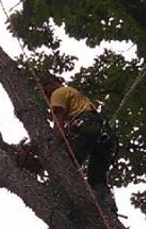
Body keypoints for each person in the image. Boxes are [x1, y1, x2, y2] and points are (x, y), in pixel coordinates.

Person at [38, 73, 118, 211]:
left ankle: (64, 204)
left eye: (46, 91)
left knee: (63, 162)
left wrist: (57, 141)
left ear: (53, 83)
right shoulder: (74, 94)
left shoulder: (58, 92)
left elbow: (58, 118)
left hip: (86, 129)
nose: (47, 96)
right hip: (103, 134)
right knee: (96, 179)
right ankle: (108, 206)